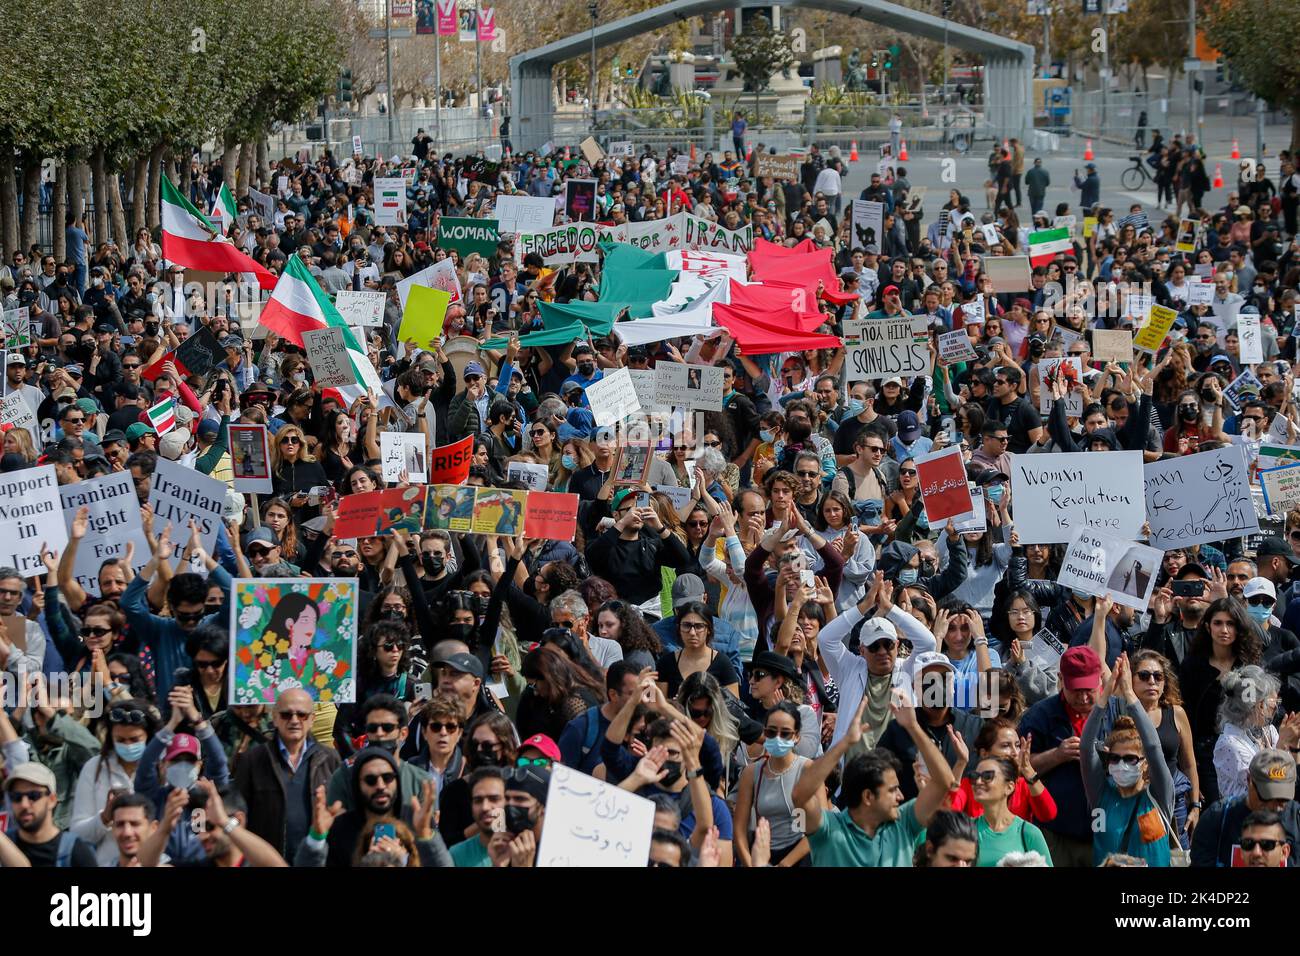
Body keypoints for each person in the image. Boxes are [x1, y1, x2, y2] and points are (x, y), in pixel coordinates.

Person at [791, 694, 955, 866]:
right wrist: (845, 742)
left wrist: (913, 728)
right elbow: (800, 795)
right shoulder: (828, 829)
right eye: (892, 790)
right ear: (868, 796)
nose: (900, 796)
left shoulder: (904, 823)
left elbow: (944, 782)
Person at [1081, 654, 1176, 866]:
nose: (1121, 764)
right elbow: (1086, 748)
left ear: (1145, 763)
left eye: (1131, 759)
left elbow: (1152, 746)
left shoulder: (1159, 795)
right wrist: (1105, 695)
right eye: (1114, 758)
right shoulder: (1100, 794)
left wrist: (1130, 695)